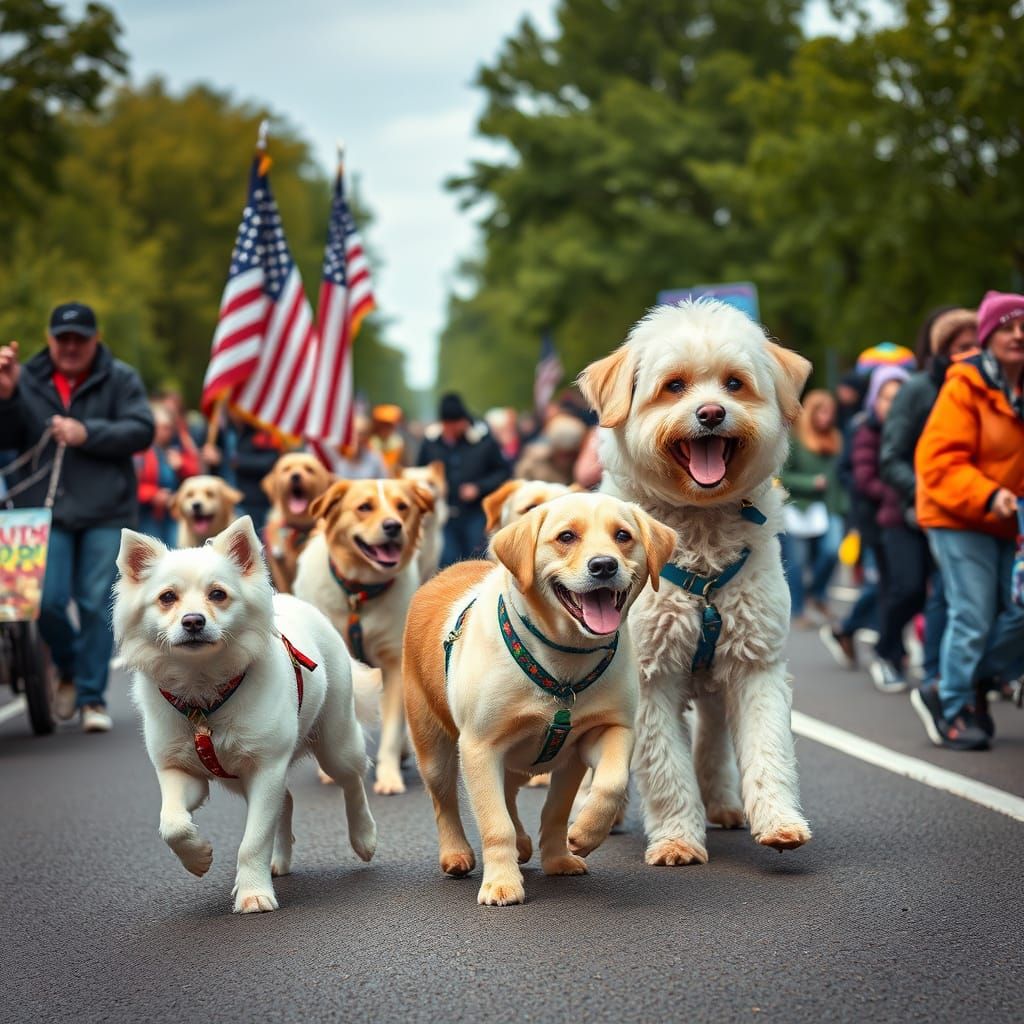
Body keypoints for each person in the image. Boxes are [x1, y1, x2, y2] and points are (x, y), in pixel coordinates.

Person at [0, 302, 154, 732]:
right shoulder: (26, 376)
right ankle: (65, 666)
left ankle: (91, 698)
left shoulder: (120, 377)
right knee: (41, 602)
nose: (70, 347)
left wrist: (89, 433)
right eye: (62, 338)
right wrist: (8, 395)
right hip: (42, 513)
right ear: (49, 339)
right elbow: (8, 438)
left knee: (93, 602)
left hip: (106, 510)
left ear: (95, 339)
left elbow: (142, 429)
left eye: (79, 339)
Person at [911, 291, 1024, 751]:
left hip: (1009, 520)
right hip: (956, 514)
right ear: (988, 335)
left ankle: (965, 680)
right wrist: (990, 493)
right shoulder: (965, 384)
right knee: (973, 613)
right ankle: (953, 702)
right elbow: (937, 462)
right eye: (1008, 326)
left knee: (1017, 612)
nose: (1018, 334)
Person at [879, 307, 978, 687]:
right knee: (910, 589)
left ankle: (950, 675)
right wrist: (929, 491)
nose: (971, 353)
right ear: (942, 350)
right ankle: (892, 652)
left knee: (956, 595)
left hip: (970, 510)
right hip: (912, 510)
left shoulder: (989, 388)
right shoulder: (918, 390)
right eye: (961, 346)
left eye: (976, 345)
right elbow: (891, 458)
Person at [848, 366, 911, 691]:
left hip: (910, 521)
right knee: (892, 589)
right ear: (876, 400)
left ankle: (852, 632)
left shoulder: (913, 429)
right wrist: (901, 491)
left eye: (900, 396)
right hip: (877, 523)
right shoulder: (867, 430)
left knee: (903, 590)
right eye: (887, 397)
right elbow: (862, 478)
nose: (894, 403)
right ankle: (888, 652)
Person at [417, 392, 510, 567]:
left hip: (475, 514)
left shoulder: (484, 440)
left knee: (476, 560)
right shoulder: (430, 443)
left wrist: (479, 487)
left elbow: (503, 472)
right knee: (447, 562)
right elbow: (421, 471)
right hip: (443, 514)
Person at [779, 389, 846, 627]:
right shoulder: (796, 439)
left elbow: (841, 477)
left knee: (831, 552)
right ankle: (798, 609)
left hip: (829, 509)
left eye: (830, 412)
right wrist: (810, 483)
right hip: (799, 508)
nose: (826, 418)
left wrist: (843, 506)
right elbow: (782, 475)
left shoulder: (836, 438)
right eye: (822, 411)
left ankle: (817, 594)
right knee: (796, 562)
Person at [135, 402, 190, 545]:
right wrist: (153, 495)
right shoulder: (140, 451)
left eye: (169, 428)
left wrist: (182, 466)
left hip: (173, 515)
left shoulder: (175, 449)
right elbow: (131, 483)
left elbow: (196, 472)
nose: (167, 432)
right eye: (163, 427)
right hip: (147, 514)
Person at [329, 415, 388, 479]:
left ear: (367, 437)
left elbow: (384, 482)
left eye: (361, 434)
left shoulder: (375, 459)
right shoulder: (339, 457)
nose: (357, 438)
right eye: (354, 433)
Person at [369, 404, 405, 475]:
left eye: (389, 426)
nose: (386, 429)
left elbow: (401, 465)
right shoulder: (370, 443)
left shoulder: (398, 442)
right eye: (383, 425)